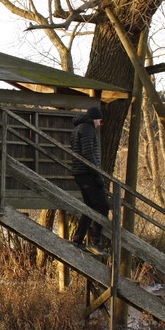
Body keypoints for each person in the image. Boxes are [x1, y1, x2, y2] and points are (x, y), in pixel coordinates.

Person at [69, 105, 110, 254]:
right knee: (103, 206)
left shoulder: (78, 128)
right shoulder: (87, 128)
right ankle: (94, 241)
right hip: (87, 173)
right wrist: (97, 174)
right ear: (94, 118)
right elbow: (87, 153)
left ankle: (78, 239)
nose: (100, 124)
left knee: (90, 207)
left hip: (81, 173)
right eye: (99, 120)